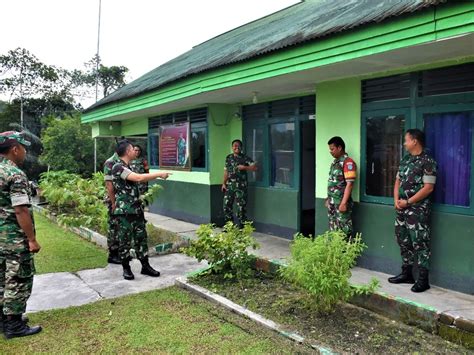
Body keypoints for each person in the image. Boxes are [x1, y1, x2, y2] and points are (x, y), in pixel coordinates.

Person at [0, 131, 42, 339]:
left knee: (2, 278)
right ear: (15, 149)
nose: (25, 152)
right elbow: (21, 210)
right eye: (23, 148)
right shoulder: (14, 174)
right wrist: (31, 239)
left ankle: (4, 319)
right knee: (18, 277)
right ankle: (14, 325)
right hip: (13, 238)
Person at [112, 140, 170, 280]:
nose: (134, 151)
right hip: (125, 211)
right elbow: (138, 178)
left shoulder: (129, 166)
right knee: (125, 240)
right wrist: (159, 174)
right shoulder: (118, 167)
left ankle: (145, 266)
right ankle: (126, 268)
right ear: (127, 151)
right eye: (132, 149)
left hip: (136, 209)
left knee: (141, 239)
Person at [389, 129, 437, 293]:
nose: (404, 143)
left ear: (414, 141)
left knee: (420, 244)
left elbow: (428, 188)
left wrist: (408, 202)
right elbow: (397, 181)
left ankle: (423, 280)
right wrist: (396, 200)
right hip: (401, 209)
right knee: (403, 240)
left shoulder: (427, 161)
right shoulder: (406, 159)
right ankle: (407, 273)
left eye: (406, 140)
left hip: (417, 211)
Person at [325, 136, 356, 239]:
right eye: (330, 149)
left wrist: (343, 203)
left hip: (341, 203)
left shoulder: (348, 163)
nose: (330, 152)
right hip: (332, 203)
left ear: (339, 148)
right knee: (333, 229)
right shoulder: (334, 163)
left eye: (332, 149)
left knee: (344, 230)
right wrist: (328, 199)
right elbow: (332, 183)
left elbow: (350, 184)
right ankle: (335, 253)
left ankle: (346, 254)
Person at [222, 139, 257, 228]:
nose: (236, 147)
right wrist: (223, 183)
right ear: (232, 147)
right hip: (230, 186)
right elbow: (226, 171)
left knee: (241, 208)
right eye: (234, 146)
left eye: (238, 146)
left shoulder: (245, 158)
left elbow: (255, 168)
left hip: (241, 187)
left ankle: (242, 227)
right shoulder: (228, 158)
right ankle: (229, 226)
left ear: (241, 147)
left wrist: (244, 167)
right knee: (226, 205)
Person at [103, 149, 122, 264]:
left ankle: (120, 252)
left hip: (122, 200)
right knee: (114, 227)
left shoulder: (123, 161)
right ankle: (113, 254)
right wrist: (113, 202)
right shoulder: (110, 162)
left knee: (121, 227)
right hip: (114, 200)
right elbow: (109, 184)